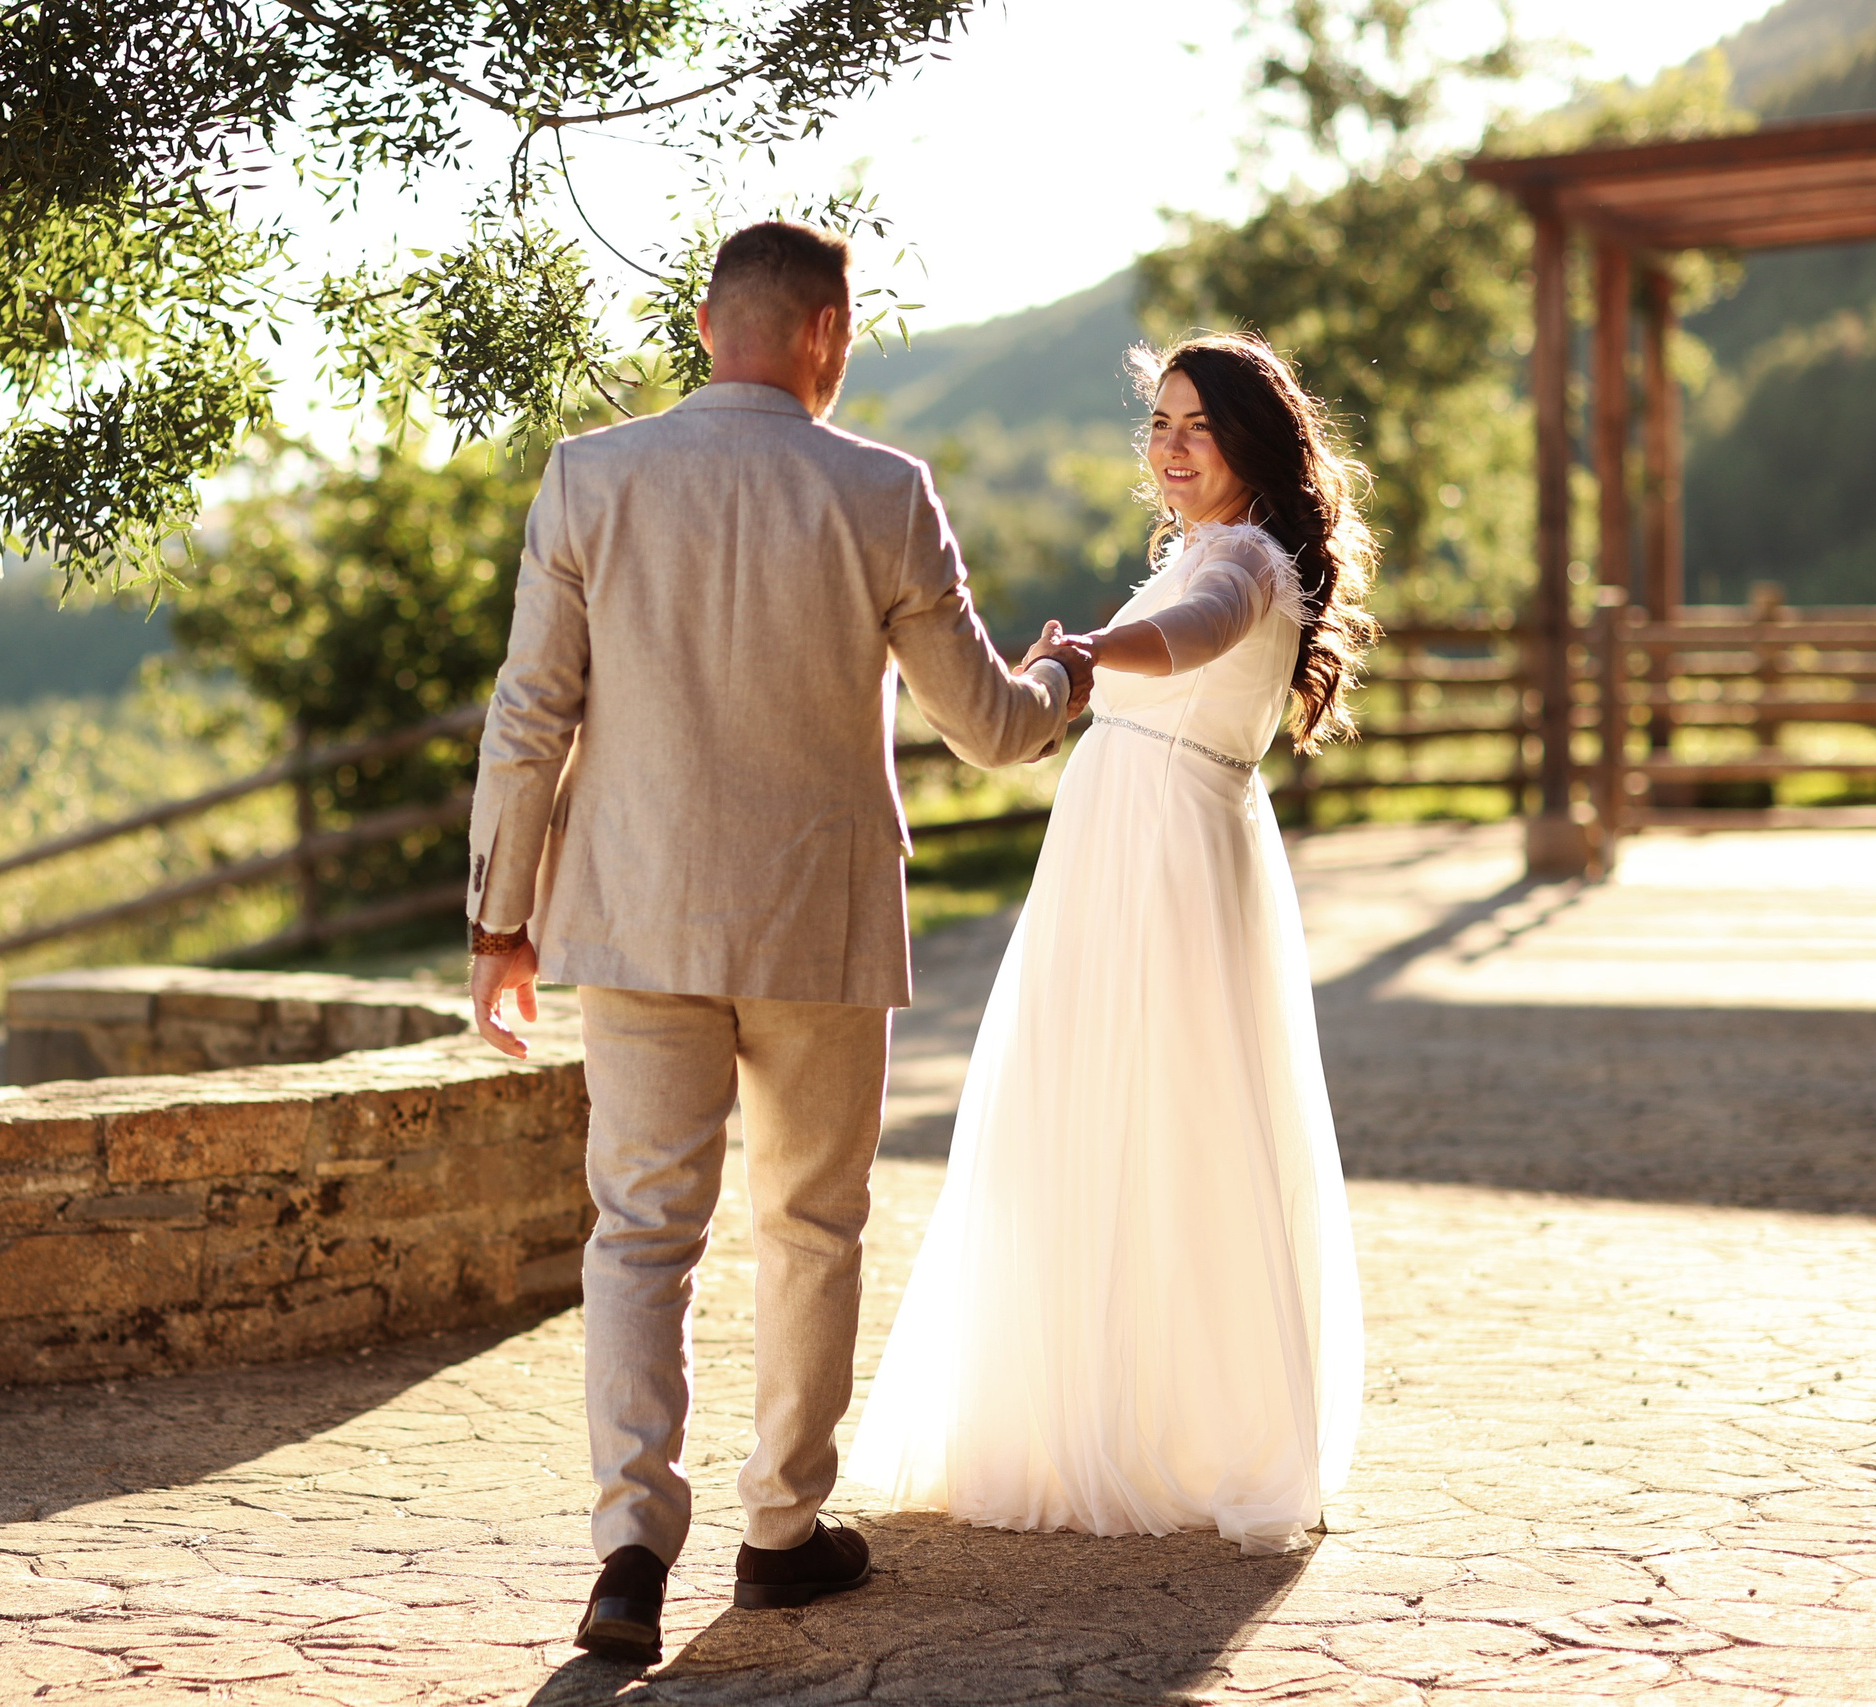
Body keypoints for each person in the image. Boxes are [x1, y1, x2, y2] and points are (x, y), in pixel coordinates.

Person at [463, 220, 1092, 1666]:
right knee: (811, 1224)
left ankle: (630, 1547)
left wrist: (501, 922)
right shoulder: (881, 489)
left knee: (640, 1231)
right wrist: (1065, 665)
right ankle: (781, 1533)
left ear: (703, 323)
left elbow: (527, 717)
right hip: (820, 924)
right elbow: (991, 727)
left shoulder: (589, 477)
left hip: (632, 917)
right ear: (825, 332)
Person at [846, 332, 1374, 1556]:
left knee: (1173, 1120)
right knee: (1087, 1114)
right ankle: (1080, 1405)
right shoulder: (1194, 549)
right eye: (1162, 425)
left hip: (1170, 862)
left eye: (1199, 426)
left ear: (1254, 445)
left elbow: (1194, 634)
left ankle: (1182, 1428)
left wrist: (1083, 655)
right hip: (1116, 851)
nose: (1174, 448)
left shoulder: (1244, 562)